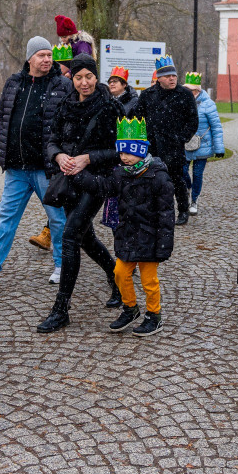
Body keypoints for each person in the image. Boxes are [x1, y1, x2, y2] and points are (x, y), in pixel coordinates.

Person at [0, 37, 71, 289]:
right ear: (29, 58)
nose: (46, 59)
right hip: (17, 168)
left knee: (57, 218)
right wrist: (5, 152)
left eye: (48, 55)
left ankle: (63, 265)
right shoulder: (14, 83)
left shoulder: (62, 85)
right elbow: (3, 117)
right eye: (41, 55)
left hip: (46, 168)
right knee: (6, 219)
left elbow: (68, 123)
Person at [37, 54, 125, 333]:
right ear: (71, 79)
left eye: (88, 76)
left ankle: (61, 309)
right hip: (68, 180)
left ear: (96, 77)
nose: (84, 82)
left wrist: (89, 158)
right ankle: (116, 279)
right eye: (78, 77)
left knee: (71, 234)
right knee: (86, 238)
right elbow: (51, 140)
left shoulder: (110, 108)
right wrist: (59, 155)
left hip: (96, 181)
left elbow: (122, 151)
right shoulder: (66, 104)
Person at [74, 117, 174, 335]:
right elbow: (104, 187)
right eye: (121, 153)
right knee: (120, 272)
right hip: (127, 235)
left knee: (149, 281)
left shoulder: (158, 176)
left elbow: (166, 214)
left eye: (129, 152)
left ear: (141, 151)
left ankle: (154, 315)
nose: (124, 157)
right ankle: (130, 308)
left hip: (149, 237)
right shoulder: (120, 173)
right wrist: (80, 176)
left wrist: (164, 244)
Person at [134, 56, 198, 225]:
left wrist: (181, 138)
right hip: (152, 146)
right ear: (159, 78)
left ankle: (183, 210)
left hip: (174, 147)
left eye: (174, 75)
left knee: (177, 180)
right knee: (151, 180)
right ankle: (153, 211)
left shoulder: (184, 94)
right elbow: (137, 118)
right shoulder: (147, 95)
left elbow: (192, 120)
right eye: (168, 76)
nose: (172, 79)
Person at [182, 72, 225, 215]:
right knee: (182, 171)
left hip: (202, 145)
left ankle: (194, 200)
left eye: (190, 90)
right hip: (185, 144)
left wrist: (219, 148)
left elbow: (216, 127)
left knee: (198, 174)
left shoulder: (209, 104)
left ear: (197, 91)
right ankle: (188, 188)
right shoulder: (181, 102)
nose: (187, 93)